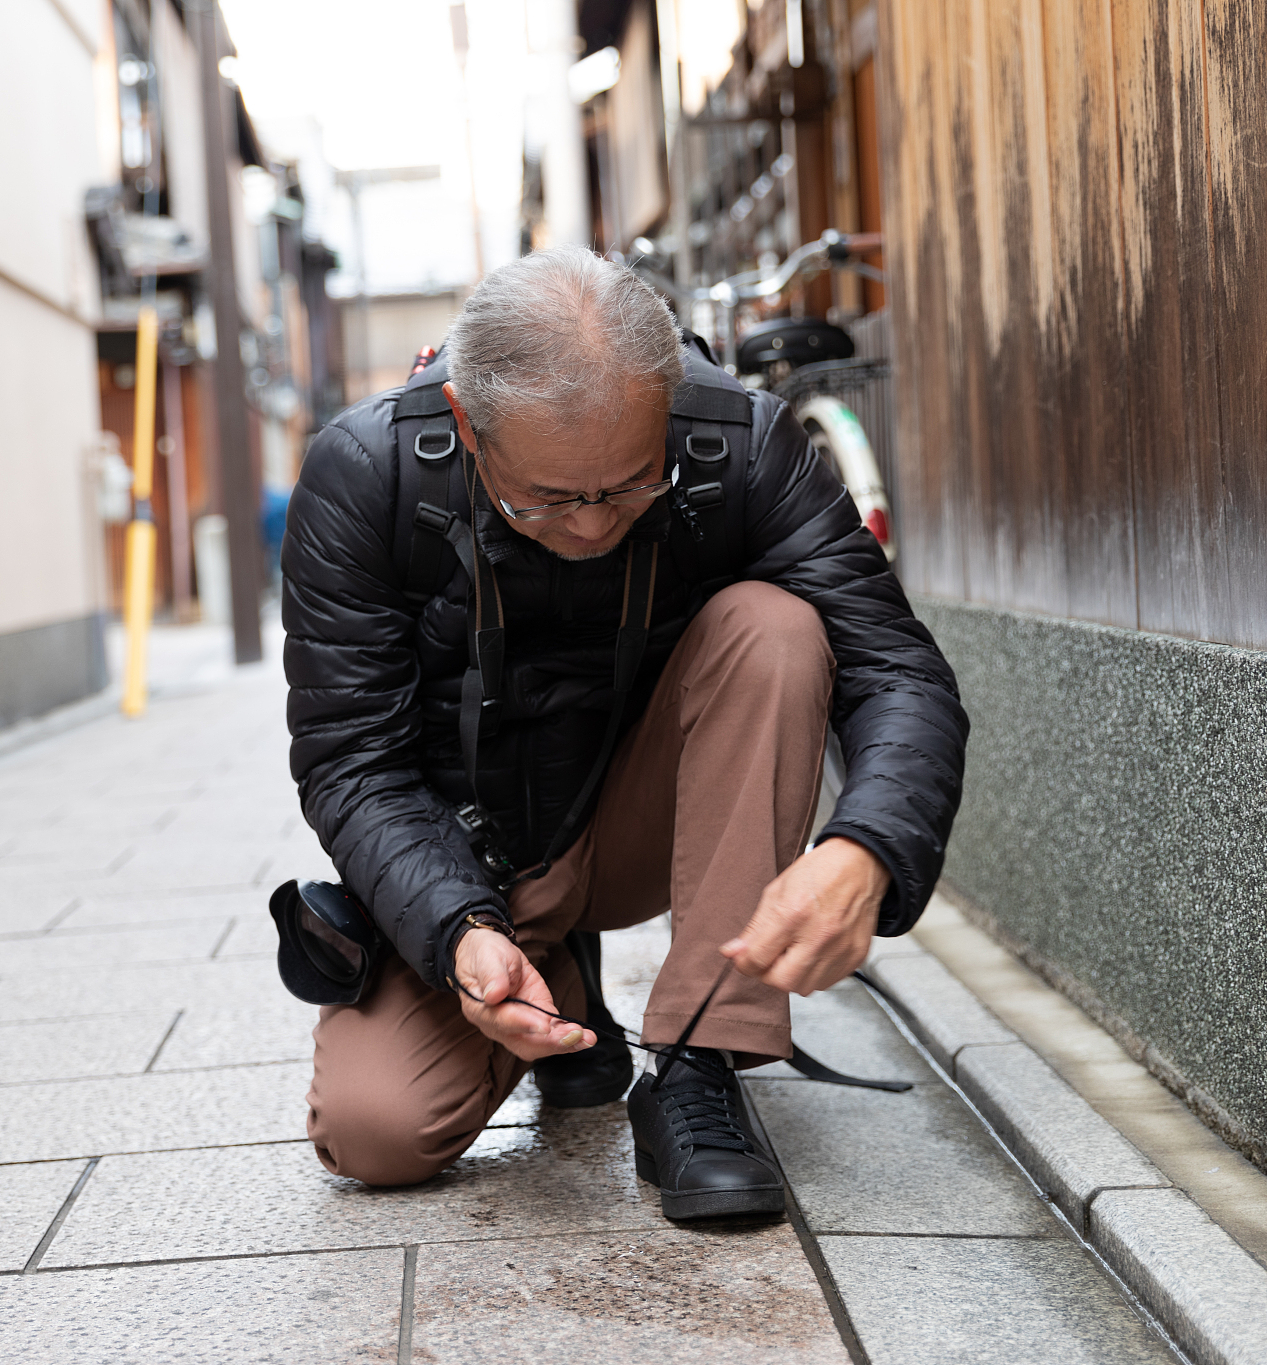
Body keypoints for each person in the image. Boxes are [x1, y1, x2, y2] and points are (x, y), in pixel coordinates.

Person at [279, 247, 966, 1220]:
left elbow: (895, 669)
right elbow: (351, 760)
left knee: (774, 629)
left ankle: (698, 1057)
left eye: (632, 483)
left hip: (644, 821)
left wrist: (867, 849)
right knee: (373, 1130)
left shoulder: (739, 442)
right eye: (550, 498)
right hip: (480, 857)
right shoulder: (365, 475)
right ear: (468, 426)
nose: (595, 526)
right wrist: (460, 929)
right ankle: (555, 969)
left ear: (667, 404)